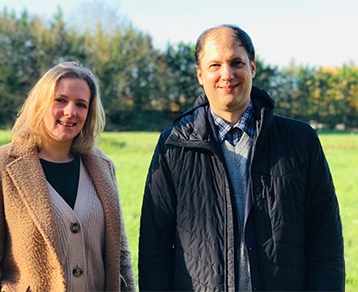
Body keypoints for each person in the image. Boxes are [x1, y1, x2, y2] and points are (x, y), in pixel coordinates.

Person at [138, 25, 345, 291]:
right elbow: (155, 246)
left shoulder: (300, 141)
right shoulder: (173, 145)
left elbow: (325, 238)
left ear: (253, 68)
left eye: (237, 62)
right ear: (200, 74)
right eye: (215, 65)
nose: (227, 74)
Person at [0, 61, 135, 291]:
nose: (70, 112)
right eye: (60, 100)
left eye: (81, 104)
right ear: (40, 103)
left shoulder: (103, 168)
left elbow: (120, 256)